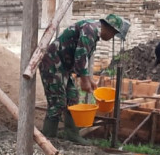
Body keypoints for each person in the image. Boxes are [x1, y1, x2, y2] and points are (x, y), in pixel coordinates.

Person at [39, 14, 126, 144]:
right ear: (109, 29)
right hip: (52, 63)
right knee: (57, 102)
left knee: (73, 97)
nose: (112, 37)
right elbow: (81, 55)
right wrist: (84, 81)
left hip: (63, 67)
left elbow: (82, 58)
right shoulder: (90, 30)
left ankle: (72, 134)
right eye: (114, 34)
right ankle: (47, 138)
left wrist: (89, 80)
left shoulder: (93, 31)